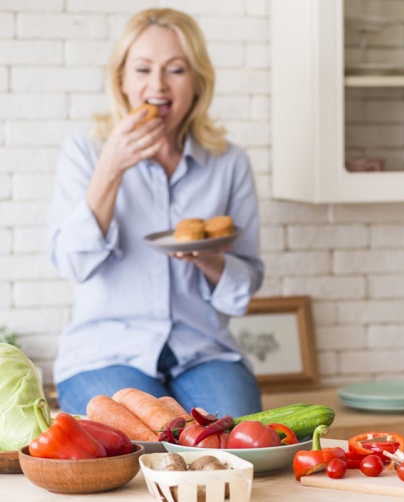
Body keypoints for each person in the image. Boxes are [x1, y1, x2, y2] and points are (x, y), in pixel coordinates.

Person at [48, 8, 264, 417]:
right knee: (144, 444)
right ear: (122, 81)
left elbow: (244, 288)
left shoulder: (228, 162)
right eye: (143, 69)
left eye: (176, 70)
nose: (158, 85)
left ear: (197, 81)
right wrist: (110, 167)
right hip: (104, 351)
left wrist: (212, 259)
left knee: (236, 444)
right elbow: (73, 265)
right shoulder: (86, 152)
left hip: (203, 350)